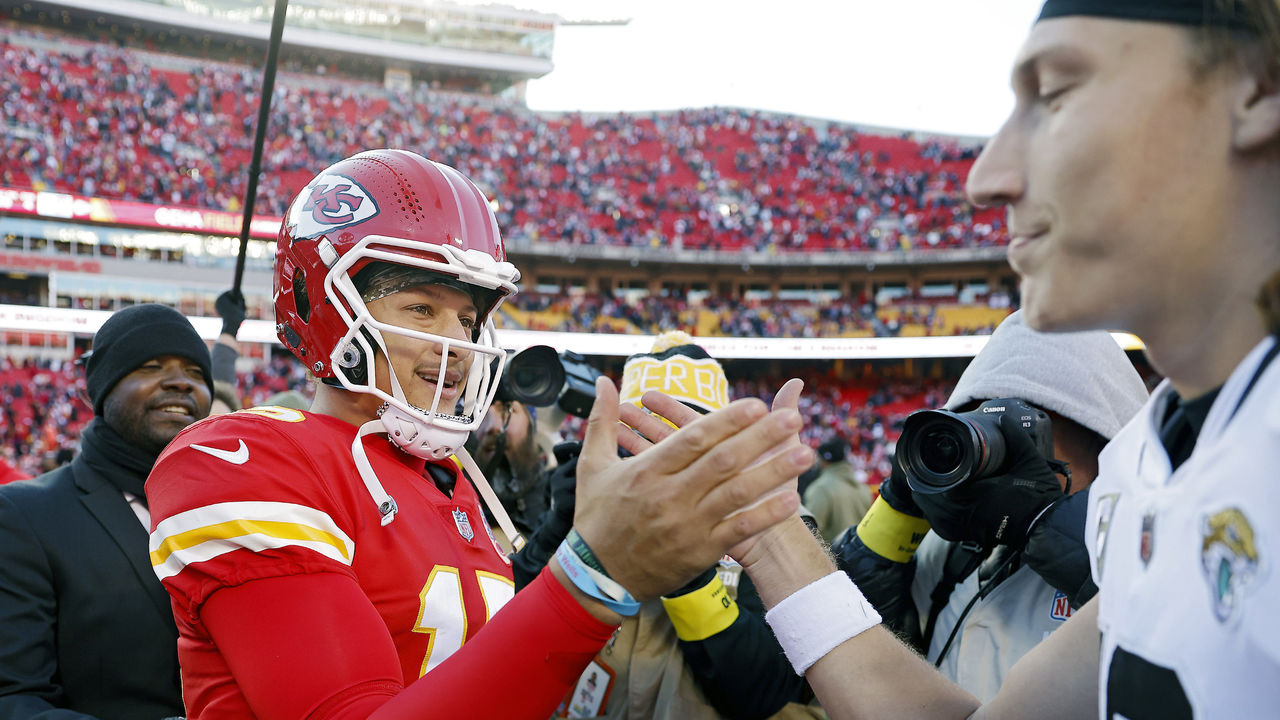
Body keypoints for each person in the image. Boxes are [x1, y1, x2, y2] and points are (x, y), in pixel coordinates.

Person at [675, 2, 1280, 717]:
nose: (986, 176)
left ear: (1255, 93)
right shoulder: (1151, 460)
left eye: (1056, 95)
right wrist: (773, 536)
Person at [144, 149, 809, 719]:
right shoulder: (239, 458)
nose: (457, 343)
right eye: (421, 308)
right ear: (325, 305)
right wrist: (595, 572)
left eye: (466, 318)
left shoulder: (446, 476)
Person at [832, 310, 1148, 701]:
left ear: (1106, 444)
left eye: (1031, 433)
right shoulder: (955, 553)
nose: (1012, 452)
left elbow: (1177, 643)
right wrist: (897, 510)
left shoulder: (1159, 551)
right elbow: (838, 648)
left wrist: (1050, 526)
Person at [514, 331, 822, 719]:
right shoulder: (596, 504)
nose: (658, 456)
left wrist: (689, 573)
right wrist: (557, 534)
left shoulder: (773, 520)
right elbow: (507, 638)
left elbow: (773, 691)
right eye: (639, 434)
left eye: (684, 435)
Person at [0, 303, 213, 719]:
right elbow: (14, 701)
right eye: (151, 366)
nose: (179, 383)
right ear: (103, 389)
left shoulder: (232, 508)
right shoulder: (26, 515)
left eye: (195, 372)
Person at [467, 398, 548, 539]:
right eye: (483, 414)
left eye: (506, 411)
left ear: (530, 428)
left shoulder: (554, 497)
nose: (492, 427)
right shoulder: (448, 480)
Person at [802, 437, 872, 544]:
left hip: (831, 558)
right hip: (858, 557)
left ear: (823, 460)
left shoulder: (820, 488)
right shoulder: (863, 489)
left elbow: (809, 534)